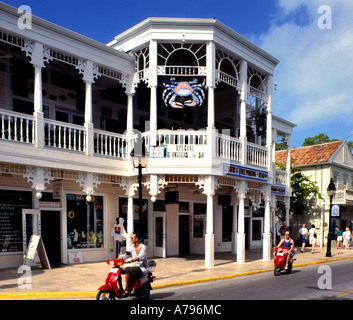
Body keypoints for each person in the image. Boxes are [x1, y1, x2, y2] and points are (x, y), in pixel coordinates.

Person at [118, 233, 148, 297]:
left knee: (127, 269)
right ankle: (120, 288)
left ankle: (128, 289)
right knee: (118, 269)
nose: (131, 239)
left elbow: (140, 257)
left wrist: (130, 260)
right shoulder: (132, 248)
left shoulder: (143, 247)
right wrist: (118, 259)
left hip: (141, 267)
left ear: (136, 239)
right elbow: (126, 255)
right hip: (134, 265)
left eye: (132, 238)